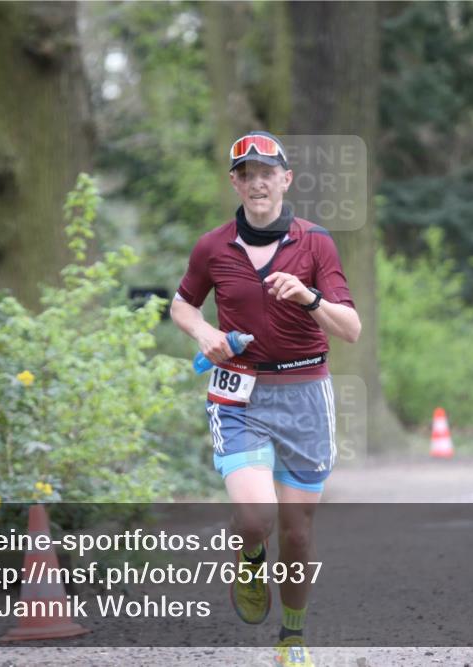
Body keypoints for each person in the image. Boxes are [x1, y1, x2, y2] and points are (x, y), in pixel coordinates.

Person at [171, 131, 361, 666]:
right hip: (240, 396)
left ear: (286, 180)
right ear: (234, 183)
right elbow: (182, 305)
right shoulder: (213, 246)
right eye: (246, 174)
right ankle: (249, 556)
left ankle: (292, 637)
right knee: (256, 518)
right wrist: (204, 333)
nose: (257, 182)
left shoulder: (316, 242)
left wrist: (309, 297)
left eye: (267, 173)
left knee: (297, 533)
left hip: (305, 396)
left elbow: (350, 329)